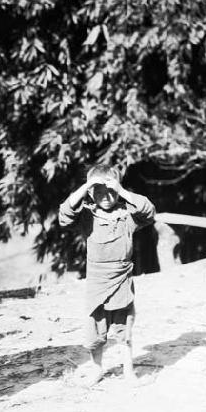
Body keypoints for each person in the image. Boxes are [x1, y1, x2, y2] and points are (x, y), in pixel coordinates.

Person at [58, 164, 155, 385]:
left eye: (111, 190)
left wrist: (122, 191)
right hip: (97, 282)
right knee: (95, 328)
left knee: (124, 328)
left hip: (122, 280)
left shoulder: (127, 216)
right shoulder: (86, 217)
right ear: (91, 193)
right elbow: (64, 215)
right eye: (99, 190)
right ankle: (96, 369)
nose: (106, 196)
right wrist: (85, 186)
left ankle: (129, 372)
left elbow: (149, 211)